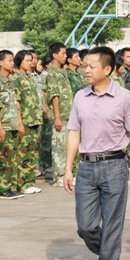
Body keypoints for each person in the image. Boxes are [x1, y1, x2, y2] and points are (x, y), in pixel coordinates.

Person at [64, 46, 130, 260]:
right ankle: (108, 252)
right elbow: (74, 132)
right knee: (85, 227)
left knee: (111, 225)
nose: (85, 69)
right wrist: (68, 168)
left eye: (91, 66)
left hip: (115, 167)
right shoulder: (80, 97)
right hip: (86, 167)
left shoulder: (124, 97)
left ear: (107, 69)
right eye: (84, 65)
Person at [0, 50, 24, 200]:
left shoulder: (11, 80)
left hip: (13, 124)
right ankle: (3, 188)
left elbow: (16, 105)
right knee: (4, 157)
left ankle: (11, 186)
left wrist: (19, 123)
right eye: (9, 60)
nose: (13, 63)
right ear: (0, 63)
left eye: (13, 60)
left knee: (13, 157)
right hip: (4, 124)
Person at [13, 50, 43, 194]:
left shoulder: (30, 78)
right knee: (23, 152)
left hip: (34, 120)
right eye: (27, 60)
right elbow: (17, 102)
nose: (31, 63)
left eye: (32, 60)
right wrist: (19, 123)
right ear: (19, 61)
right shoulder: (17, 78)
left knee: (32, 152)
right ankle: (22, 183)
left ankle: (30, 181)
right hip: (25, 120)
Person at [46, 43, 74, 187]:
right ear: (54, 55)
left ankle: (66, 173)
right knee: (59, 147)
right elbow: (54, 95)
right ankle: (58, 176)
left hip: (67, 114)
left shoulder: (62, 71)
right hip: (60, 116)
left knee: (67, 145)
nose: (65, 56)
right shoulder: (52, 73)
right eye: (62, 53)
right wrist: (57, 117)